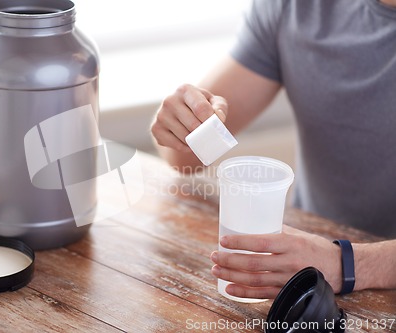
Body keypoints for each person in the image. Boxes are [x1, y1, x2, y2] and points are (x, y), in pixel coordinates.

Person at [151, 0, 396, 299]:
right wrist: (183, 121)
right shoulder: (294, 8)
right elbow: (184, 157)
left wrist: (345, 263)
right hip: (305, 271)